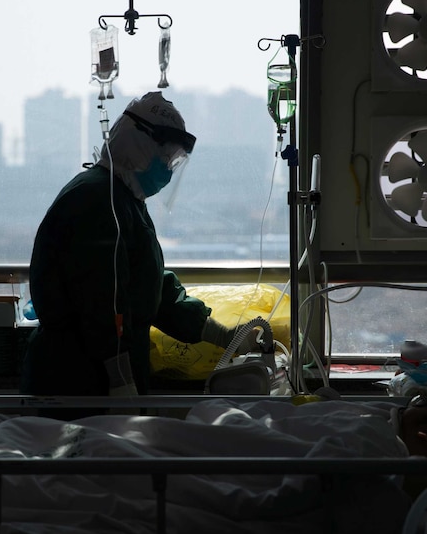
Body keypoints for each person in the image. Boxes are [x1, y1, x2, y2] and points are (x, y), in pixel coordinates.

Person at [21, 92, 257, 415]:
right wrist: (118, 377)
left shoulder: (125, 201)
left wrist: (222, 334)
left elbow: (150, 286)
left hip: (104, 376)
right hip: (77, 380)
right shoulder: (95, 201)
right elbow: (101, 299)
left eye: (175, 161)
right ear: (139, 145)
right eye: (166, 157)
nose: (168, 170)